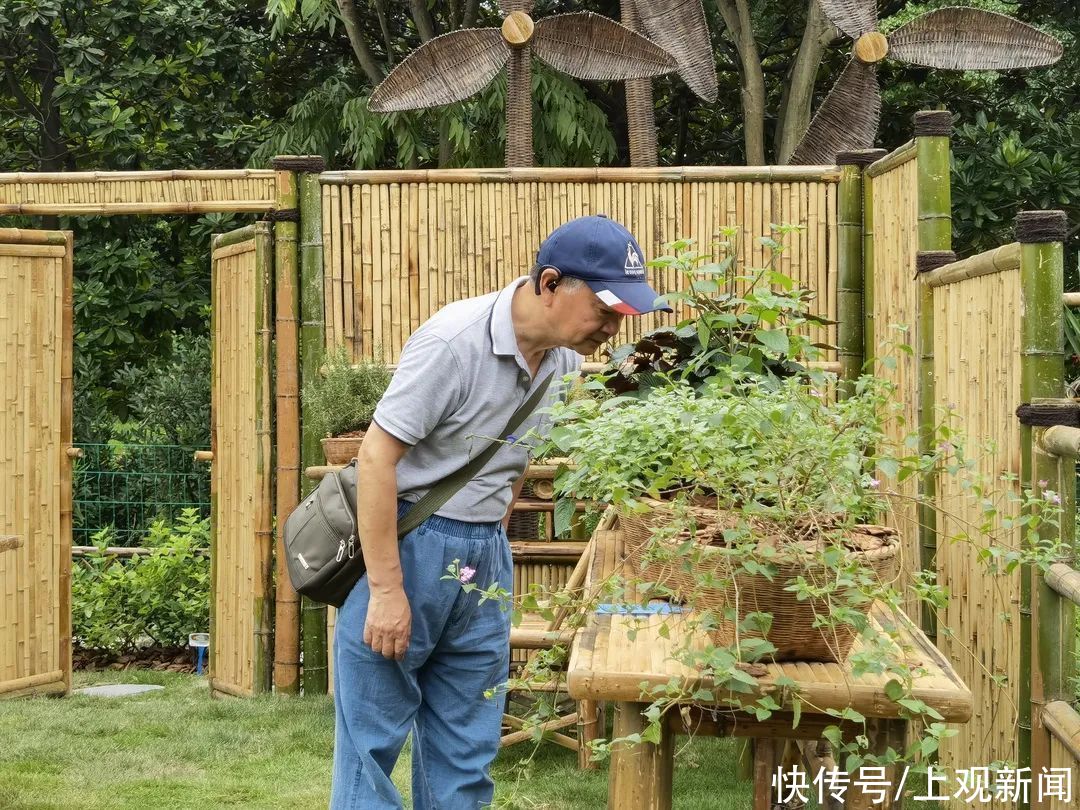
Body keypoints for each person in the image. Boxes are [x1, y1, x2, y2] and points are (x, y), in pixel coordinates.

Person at [330, 214, 672, 809]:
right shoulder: (453, 343)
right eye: (606, 308)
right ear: (550, 283)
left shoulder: (562, 365)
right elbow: (375, 459)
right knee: (372, 748)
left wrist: (489, 545)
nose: (614, 328)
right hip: (409, 546)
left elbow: (513, 466)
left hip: (482, 559)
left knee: (467, 750)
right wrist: (387, 590)